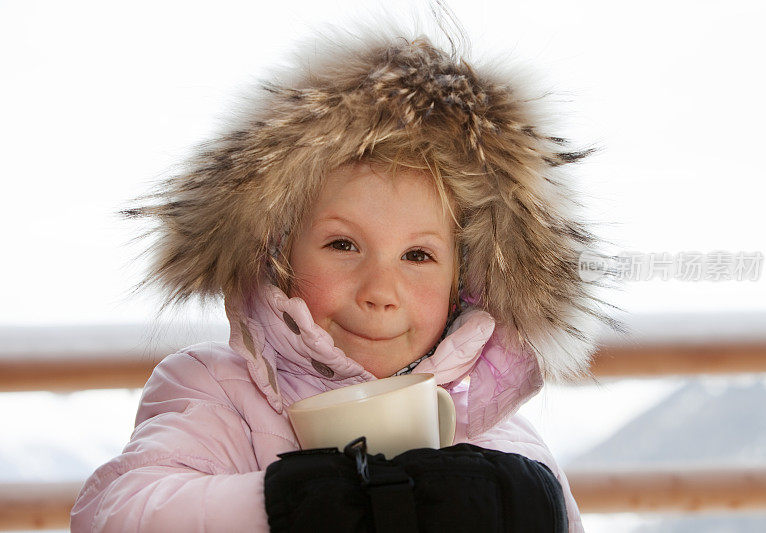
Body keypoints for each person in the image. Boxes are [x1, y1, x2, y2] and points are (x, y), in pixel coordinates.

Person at [70, 13, 616, 533]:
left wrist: (534, 508)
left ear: (464, 285)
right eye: (343, 244)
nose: (380, 292)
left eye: (418, 256)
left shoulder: (504, 442)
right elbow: (116, 513)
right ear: (277, 257)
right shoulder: (219, 393)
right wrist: (298, 505)